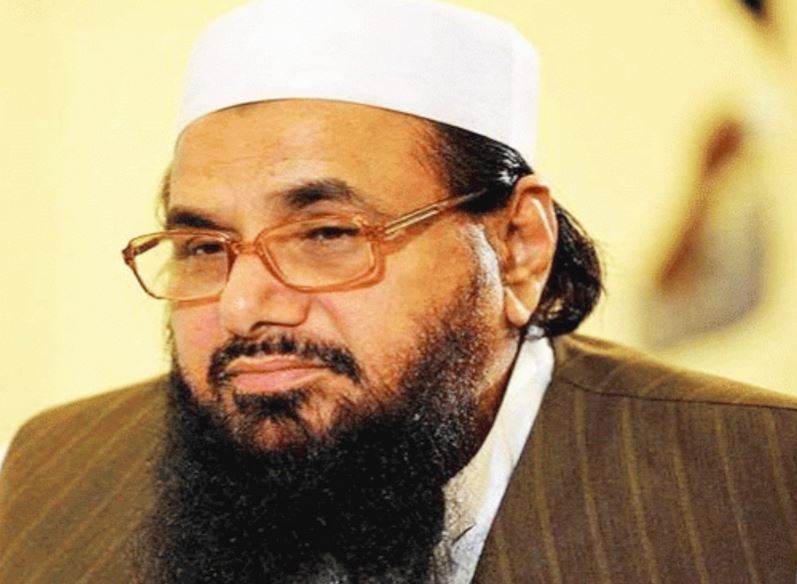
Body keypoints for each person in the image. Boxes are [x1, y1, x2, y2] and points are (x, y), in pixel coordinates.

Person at [1, 0, 796, 582]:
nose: (242, 306)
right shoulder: (59, 467)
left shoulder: (761, 480)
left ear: (518, 248)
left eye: (326, 234)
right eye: (205, 248)